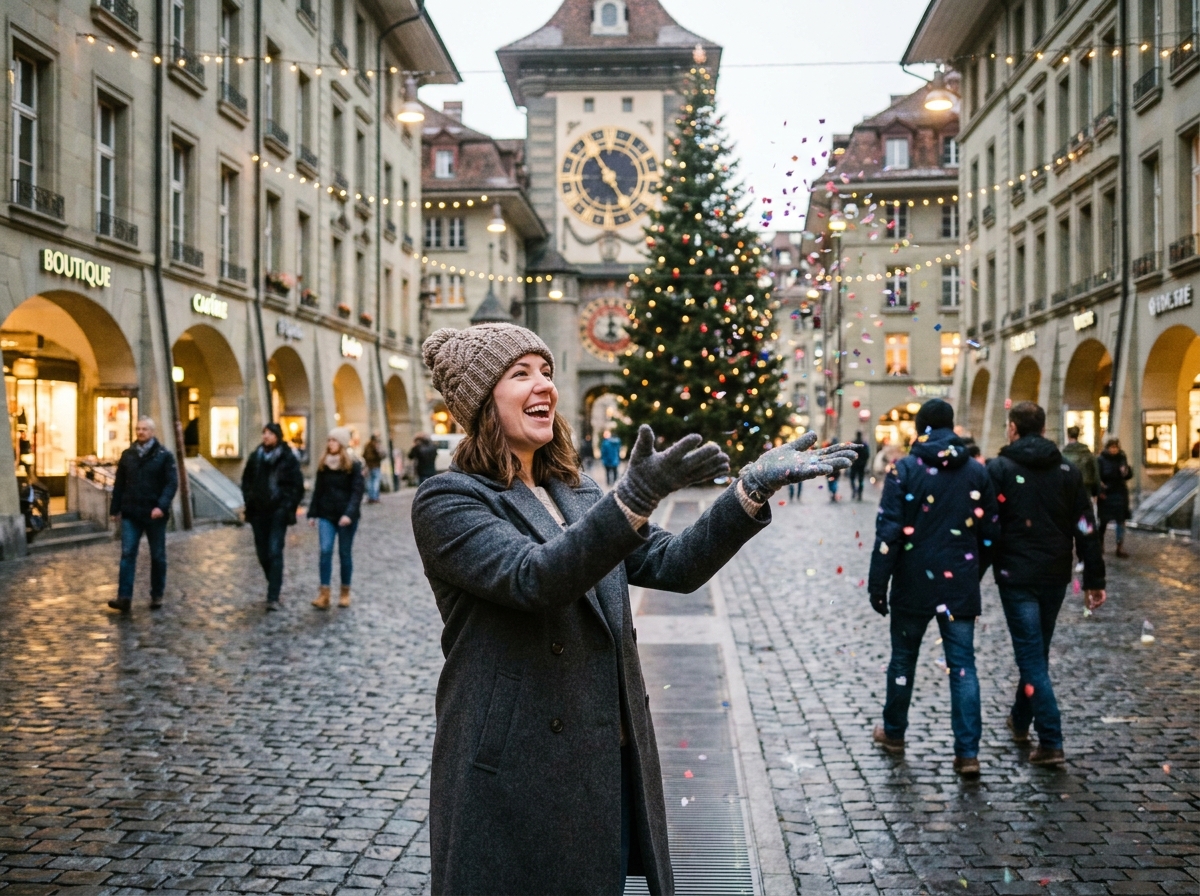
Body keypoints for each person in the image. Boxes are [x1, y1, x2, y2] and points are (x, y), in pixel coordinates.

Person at [412, 323, 857, 895]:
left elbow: (675, 565)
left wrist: (748, 489)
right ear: (478, 403)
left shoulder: (577, 491)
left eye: (546, 371)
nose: (542, 384)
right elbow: (536, 577)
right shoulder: (450, 498)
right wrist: (635, 498)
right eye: (519, 374)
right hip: (516, 769)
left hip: (604, 759)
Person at [868, 399, 999, 778]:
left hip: (912, 583)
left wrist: (879, 583)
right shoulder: (976, 471)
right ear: (952, 427)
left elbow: (888, 532)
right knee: (963, 667)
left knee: (902, 661)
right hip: (959, 582)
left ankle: (894, 733)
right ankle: (968, 753)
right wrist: (973, 571)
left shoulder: (905, 469)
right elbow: (991, 532)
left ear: (920, 428)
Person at [987, 402, 1105, 767]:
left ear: (1013, 429)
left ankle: (1051, 739)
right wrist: (1093, 579)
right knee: (1035, 651)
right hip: (1055, 574)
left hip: (1016, 575)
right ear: (1042, 428)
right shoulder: (1067, 471)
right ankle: (1020, 720)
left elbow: (987, 527)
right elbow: (1086, 527)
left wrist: (969, 578)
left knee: (1030, 655)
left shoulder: (999, 469)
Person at [108, 417, 178, 612]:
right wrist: (115, 509)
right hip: (131, 512)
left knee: (157, 556)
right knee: (128, 553)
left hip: (154, 513)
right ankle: (124, 597)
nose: (140, 432)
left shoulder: (164, 456)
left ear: (152, 432)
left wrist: (161, 507)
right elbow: (119, 484)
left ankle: (157, 594)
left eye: (144, 429)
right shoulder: (128, 455)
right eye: (138, 429)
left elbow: (171, 484)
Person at [241, 423, 305, 611]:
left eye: (270, 433)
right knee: (262, 553)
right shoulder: (256, 457)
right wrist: (249, 498)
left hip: (278, 511)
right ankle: (274, 582)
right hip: (257, 511)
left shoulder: (287, 458)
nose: (266, 436)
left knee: (274, 550)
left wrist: (287, 505)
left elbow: (297, 485)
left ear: (277, 436)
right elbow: (246, 481)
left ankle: (273, 595)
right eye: (264, 433)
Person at [308, 427, 366, 609]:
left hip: (346, 517)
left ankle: (344, 592)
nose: (330, 443)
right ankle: (324, 594)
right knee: (325, 551)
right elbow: (318, 490)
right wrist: (312, 513)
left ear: (341, 443)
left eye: (333, 440)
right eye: (329, 440)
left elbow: (357, 492)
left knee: (344, 553)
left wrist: (348, 514)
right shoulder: (324, 464)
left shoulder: (353, 466)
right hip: (326, 514)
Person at [1096, 435, 1133, 557]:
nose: (1114, 449)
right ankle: (1100, 544)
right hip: (1106, 494)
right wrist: (1099, 491)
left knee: (1120, 521)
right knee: (1103, 521)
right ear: (1107, 448)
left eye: (1115, 447)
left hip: (1120, 493)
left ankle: (1119, 546)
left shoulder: (1122, 457)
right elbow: (1097, 477)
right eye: (1111, 447)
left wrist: (1126, 471)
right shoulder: (1100, 459)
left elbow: (1127, 475)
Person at [1060, 426, 1099, 499]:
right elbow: (1095, 472)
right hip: (1085, 486)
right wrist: (1096, 490)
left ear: (1068, 435)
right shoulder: (1086, 452)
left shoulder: (1064, 454)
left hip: (1069, 487)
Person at [362, 433, 385, 503]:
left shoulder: (367, 446)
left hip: (369, 466)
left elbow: (364, 455)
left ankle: (370, 497)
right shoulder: (375, 446)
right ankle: (375, 497)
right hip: (375, 466)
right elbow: (381, 455)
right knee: (375, 482)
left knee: (370, 482)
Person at [848, 431, 870, 500]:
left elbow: (849, 453)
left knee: (852, 479)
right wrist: (864, 462)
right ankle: (860, 493)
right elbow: (867, 454)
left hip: (854, 464)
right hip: (861, 465)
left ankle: (854, 490)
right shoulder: (864, 444)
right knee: (861, 480)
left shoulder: (853, 443)